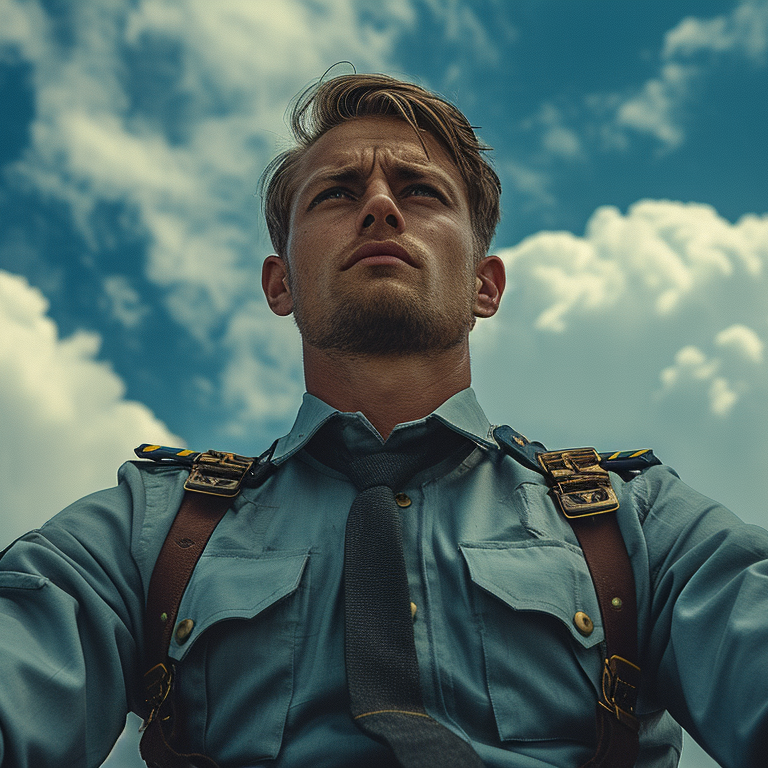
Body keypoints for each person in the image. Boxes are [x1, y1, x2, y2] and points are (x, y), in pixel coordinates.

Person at [0, 73, 765, 768]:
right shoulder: (150, 528)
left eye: (421, 192)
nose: (380, 205)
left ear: (484, 285)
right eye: (335, 193)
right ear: (280, 283)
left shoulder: (637, 518)